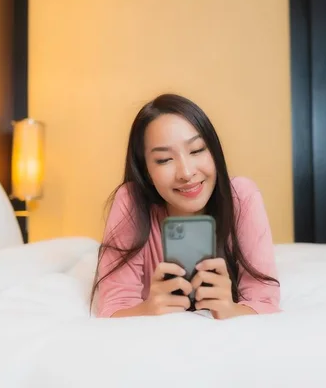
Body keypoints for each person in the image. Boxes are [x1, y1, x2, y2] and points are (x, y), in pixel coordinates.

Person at [90, 93, 281, 320]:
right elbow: (112, 308)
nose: (186, 173)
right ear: (147, 172)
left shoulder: (241, 196)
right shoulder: (131, 202)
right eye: (164, 160)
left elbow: (265, 302)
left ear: (213, 152)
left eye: (197, 150)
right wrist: (149, 308)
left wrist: (230, 309)